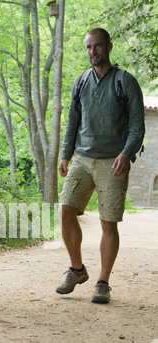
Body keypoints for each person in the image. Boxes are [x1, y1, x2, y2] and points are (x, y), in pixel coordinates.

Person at [56, 28, 145, 304]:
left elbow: (137, 125)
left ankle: (102, 283)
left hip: (113, 160)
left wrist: (127, 153)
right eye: (88, 48)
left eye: (97, 47)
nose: (92, 52)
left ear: (108, 46)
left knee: (108, 223)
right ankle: (77, 269)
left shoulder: (125, 81)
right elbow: (73, 121)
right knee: (66, 211)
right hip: (82, 157)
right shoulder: (81, 81)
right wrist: (65, 154)